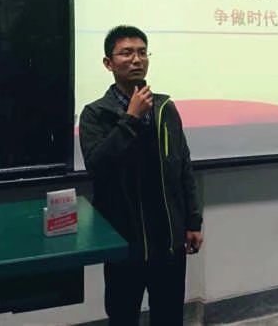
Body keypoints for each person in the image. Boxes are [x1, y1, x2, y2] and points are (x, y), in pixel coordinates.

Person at [79, 25, 203, 326]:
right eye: (126, 53)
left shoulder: (165, 108)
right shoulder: (95, 114)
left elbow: (183, 167)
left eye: (142, 52)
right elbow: (98, 166)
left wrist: (193, 222)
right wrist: (131, 119)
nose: (136, 59)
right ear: (108, 63)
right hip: (124, 240)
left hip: (168, 239)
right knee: (123, 316)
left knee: (169, 316)